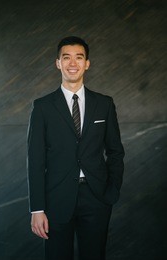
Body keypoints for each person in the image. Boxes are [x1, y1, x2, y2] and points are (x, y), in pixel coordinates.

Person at [27, 36, 125, 260]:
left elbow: (115, 151)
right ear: (58, 63)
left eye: (79, 57)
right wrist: (37, 209)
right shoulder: (42, 107)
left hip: (97, 197)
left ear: (87, 63)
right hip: (56, 199)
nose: (73, 63)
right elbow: (35, 159)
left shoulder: (104, 104)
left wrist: (111, 191)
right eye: (66, 57)